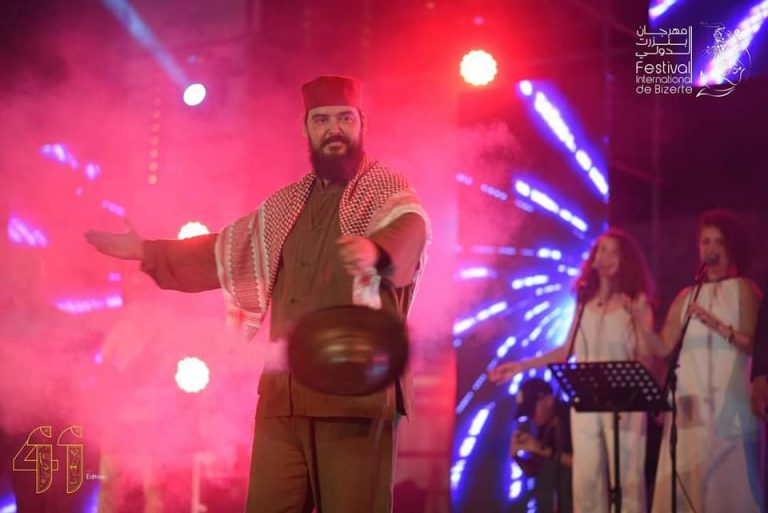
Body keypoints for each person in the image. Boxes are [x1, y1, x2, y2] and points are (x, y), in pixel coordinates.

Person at [85, 74, 430, 513]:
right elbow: (225, 250)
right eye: (321, 119)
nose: (334, 129)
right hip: (284, 393)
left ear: (362, 124)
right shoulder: (286, 205)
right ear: (306, 129)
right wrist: (147, 251)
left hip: (354, 396)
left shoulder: (386, 191)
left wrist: (376, 250)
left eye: (345, 118)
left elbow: (412, 227)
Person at [490, 228, 656, 513]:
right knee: (587, 478)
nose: (606, 257)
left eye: (614, 252)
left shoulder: (636, 302)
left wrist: (639, 325)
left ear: (625, 260)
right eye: (601, 250)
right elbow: (567, 351)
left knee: (627, 477)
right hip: (587, 397)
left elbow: (647, 357)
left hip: (625, 401)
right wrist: (522, 366)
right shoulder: (584, 304)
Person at [640, 209, 764, 513]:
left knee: (731, 489)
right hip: (690, 406)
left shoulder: (744, 289)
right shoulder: (687, 295)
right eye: (705, 241)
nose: (710, 249)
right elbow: (664, 346)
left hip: (730, 405)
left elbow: (756, 346)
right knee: (689, 487)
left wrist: (716, 325)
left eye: (718, 242)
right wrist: (640, 322)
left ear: (731, 247)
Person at [509, 378, 573, 513]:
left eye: (532, 410)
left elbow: (584, 463)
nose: (531, 417)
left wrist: (543, 450)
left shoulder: (571, 417)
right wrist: (516, 456)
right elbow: (532, 469)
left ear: (549, 400)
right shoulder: (544, 427)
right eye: (528, 413)